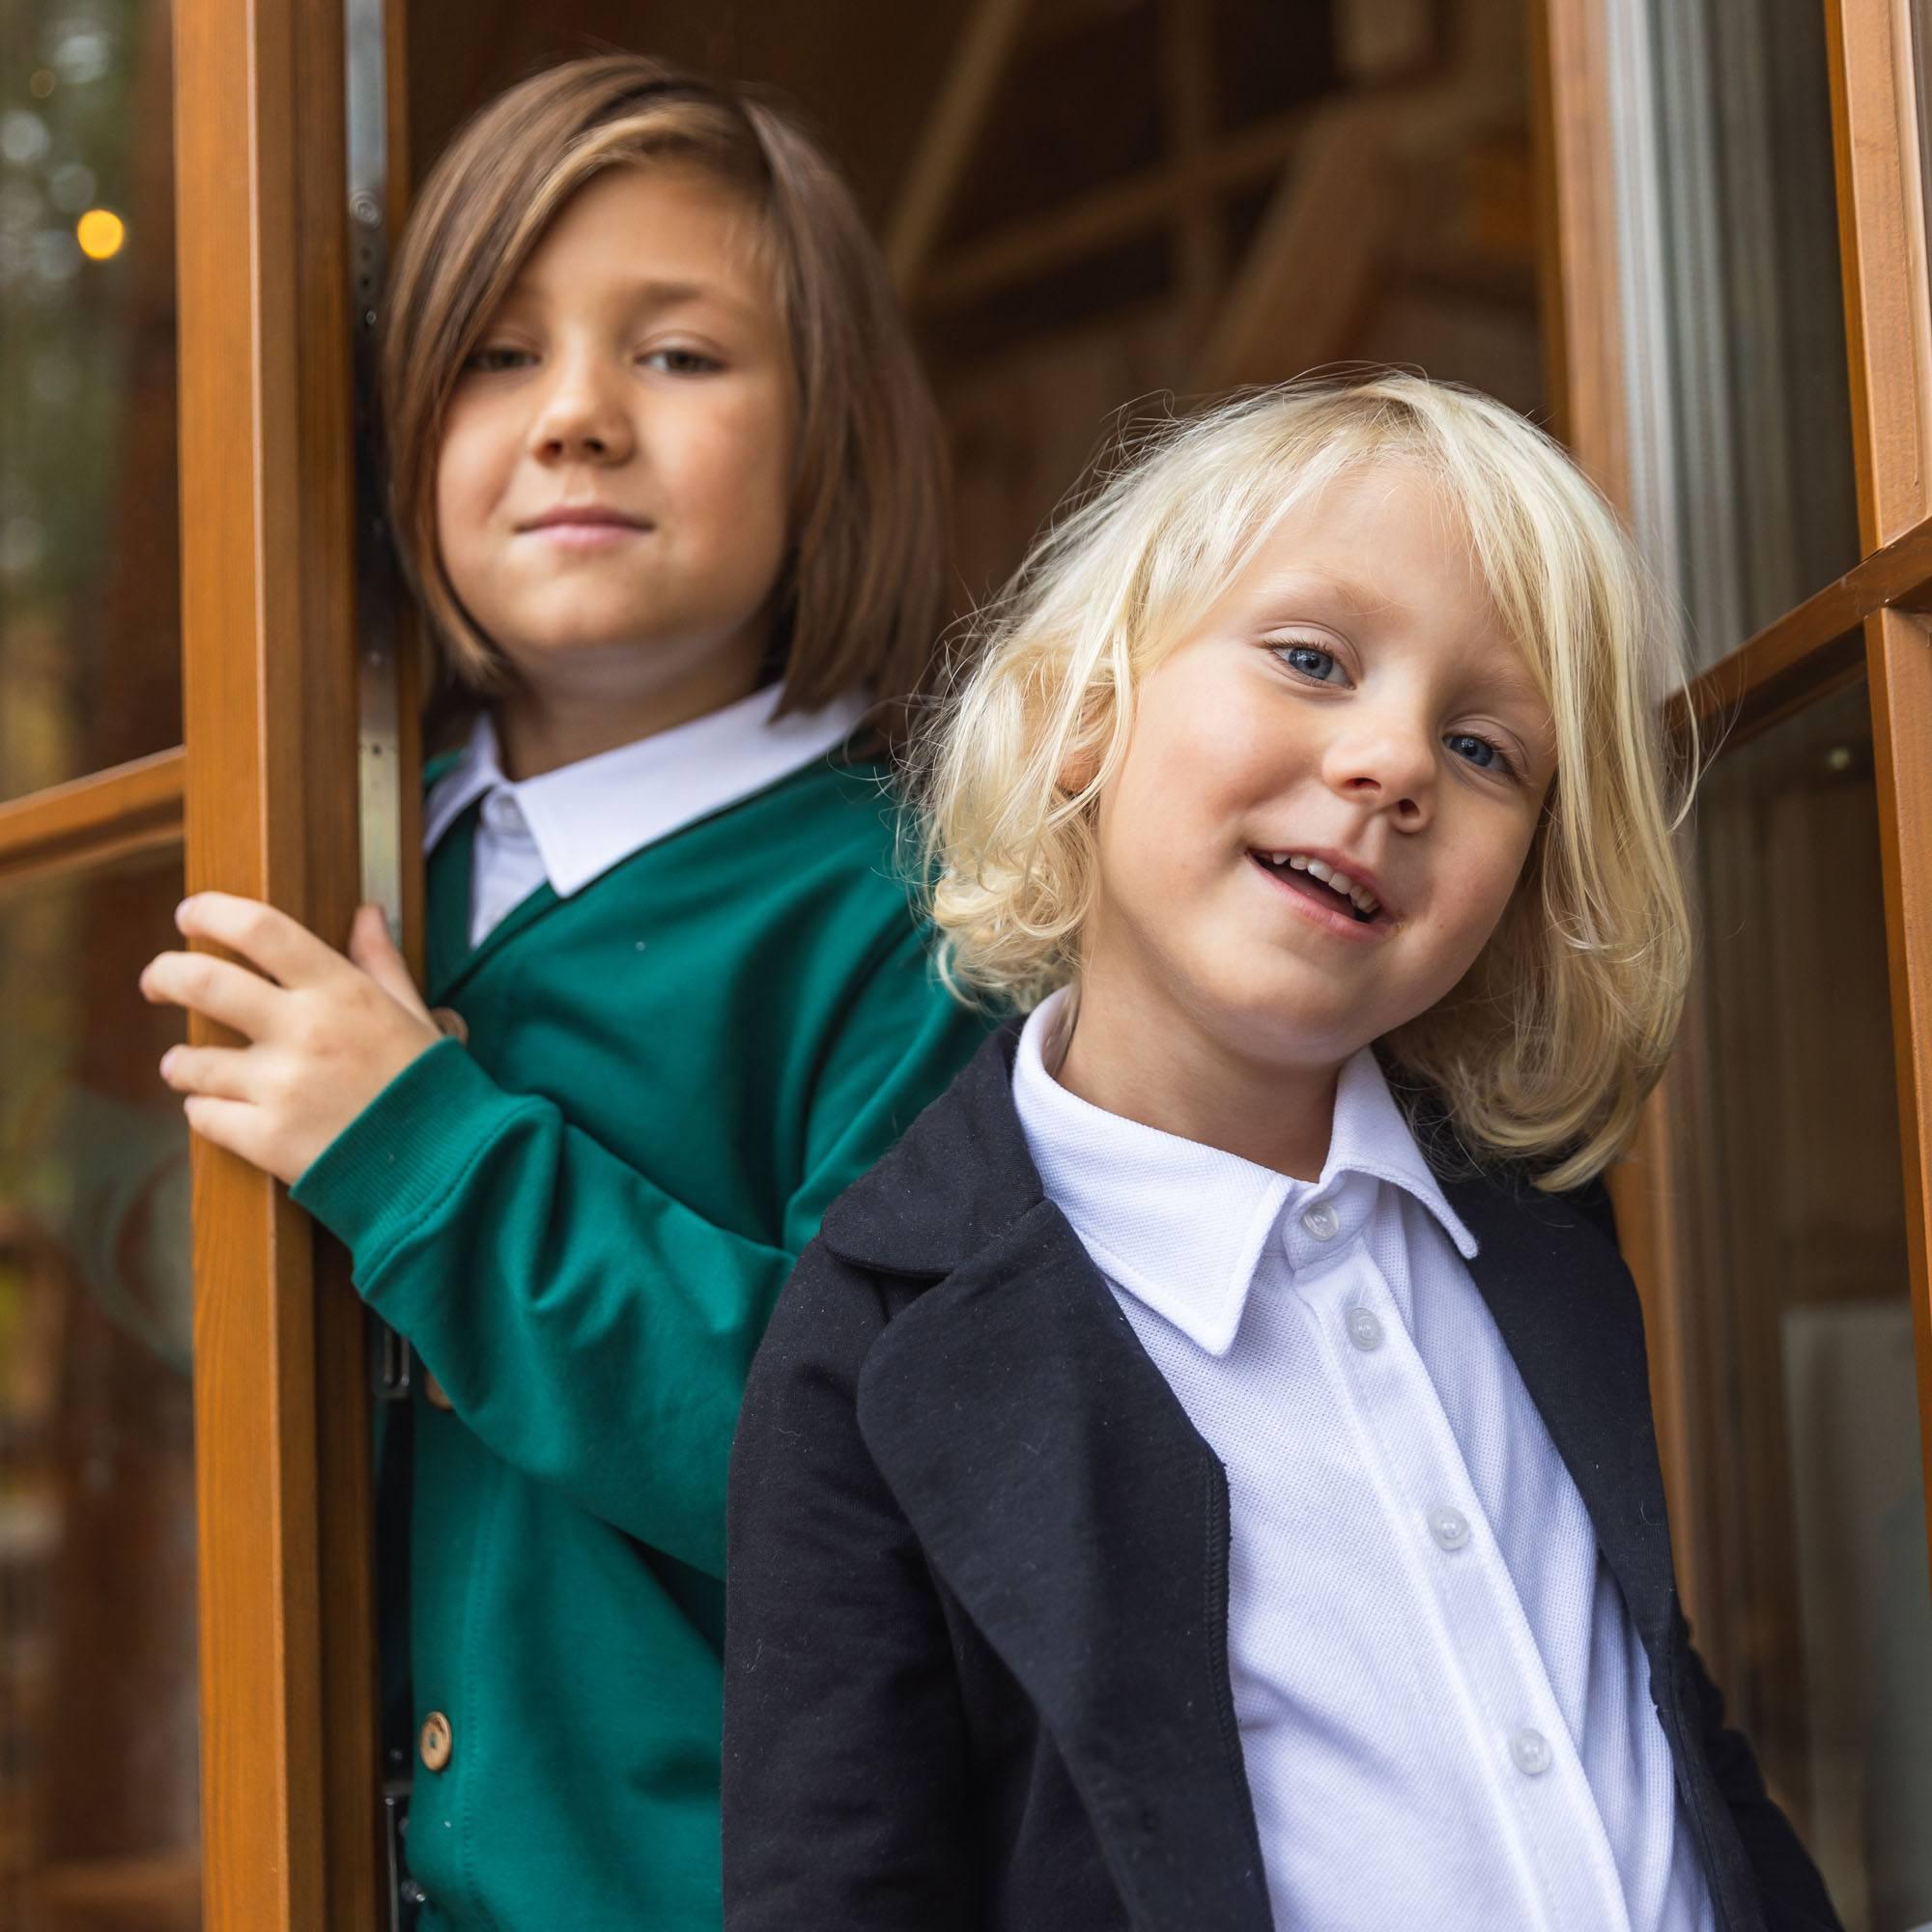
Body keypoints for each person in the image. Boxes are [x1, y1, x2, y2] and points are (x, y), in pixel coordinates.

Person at [721, 376, 1843, 1931]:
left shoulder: (1531, 1232)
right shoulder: (878, 1344)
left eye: (1485, 747)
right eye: (1312, 659)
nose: (1393, 764)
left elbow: (1658, 1723)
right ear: (1078, 718)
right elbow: (841, 1891)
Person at [138, 54, 989, 1930]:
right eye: (495, 356)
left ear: (828, 431)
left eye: (678, 356)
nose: (580, 417)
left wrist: (432, 1163)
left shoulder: (921, 920)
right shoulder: (347, 872)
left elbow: (887, 1472)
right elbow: (180, 1309)